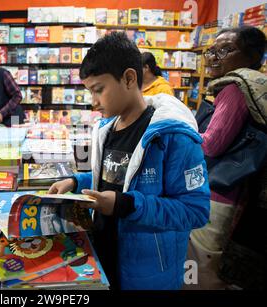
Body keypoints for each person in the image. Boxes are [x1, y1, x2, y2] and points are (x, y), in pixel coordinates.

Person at [48, 32, 210, 290]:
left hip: (147, 271)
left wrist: (127, 205)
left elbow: (195, 211)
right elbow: (115, 176)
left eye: (99, 90)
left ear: (129, 78)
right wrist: (75, 181)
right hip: (103, 257)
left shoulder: (173, 137)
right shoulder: (107, 129)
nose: (94, 102)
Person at [188, 26, 267, 290]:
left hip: (218, 192)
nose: (213, 57)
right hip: (239, 188)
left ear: (252, 55)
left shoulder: (235, 87)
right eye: (211, 50)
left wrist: (183, 133)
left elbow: (212, 145)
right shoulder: (257, 84)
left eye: (225, 49)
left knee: (201, 268)